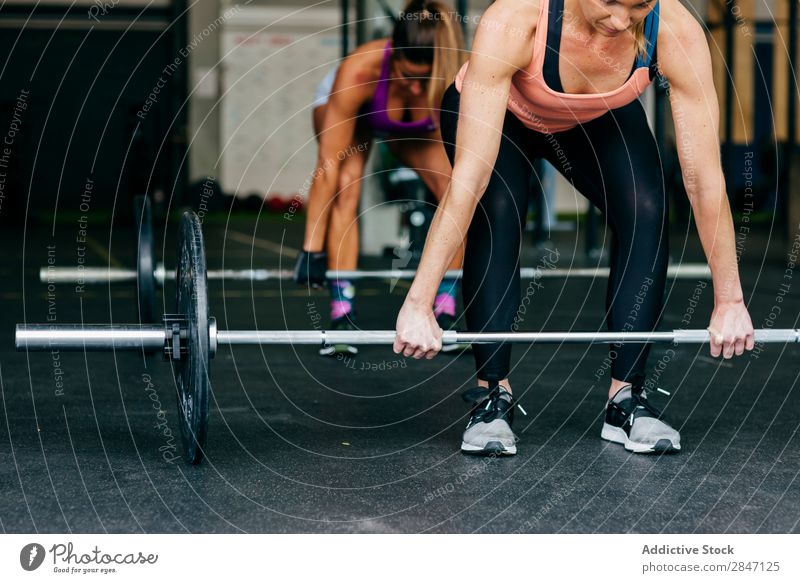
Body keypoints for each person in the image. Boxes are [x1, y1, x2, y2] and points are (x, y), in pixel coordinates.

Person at [393, 0, 755, 456]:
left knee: (646, 208)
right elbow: (469, 179)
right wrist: (419, 301)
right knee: (497, 208)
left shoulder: (674, 29)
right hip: (505, 112)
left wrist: (729, 299)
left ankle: (626, 400)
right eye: (610, 2)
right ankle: (492, 397)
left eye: (639, 5)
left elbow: (704, 179)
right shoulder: (516, 18)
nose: (622, 21)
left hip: (594, 116)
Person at [293, 0, 466, 356]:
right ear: (393, 58)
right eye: (408, 76)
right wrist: (311, 249)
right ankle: (342, 316)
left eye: (424, 79)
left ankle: (444, 310)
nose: (417, 89)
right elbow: (326, 168)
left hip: (409, 127)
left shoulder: (447, 75)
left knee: (456, 192)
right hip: (355, 112)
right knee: (345, 187)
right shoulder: (360, 70)